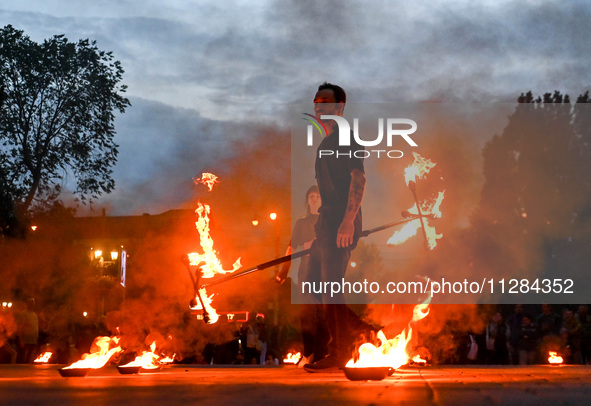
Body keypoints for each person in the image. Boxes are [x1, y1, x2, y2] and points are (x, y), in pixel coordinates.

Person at [301, 83, 374, 372]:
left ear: (340, 107)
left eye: (326, 102)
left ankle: (340, 352)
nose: (320, 107)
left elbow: (359, 180)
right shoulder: (326, 143)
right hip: (325, 222)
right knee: (312, 285)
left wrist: (348, 220)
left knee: (331, 287)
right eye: (317, 102)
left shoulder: (346, 138)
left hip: (340, 221)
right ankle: (364, 331)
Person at [276, 185, 329, 366]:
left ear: (322, 200)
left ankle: (322, 353)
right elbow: (290, 248)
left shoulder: (327, 221)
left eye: (318, 196)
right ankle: (309, 353)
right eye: (311, 196)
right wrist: (284, 270)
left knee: (323, 312)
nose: (314, 198)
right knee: (307, 313)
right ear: (307, 200)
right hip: (306, 271)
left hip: (324, 271)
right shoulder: (301, 223)